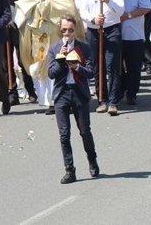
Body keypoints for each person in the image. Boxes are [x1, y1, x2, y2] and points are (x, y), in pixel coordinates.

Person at [15, 0, 84, 114]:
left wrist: (49, 7)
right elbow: (21, 10)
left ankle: (62, 98)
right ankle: (49, 101)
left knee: (58, 66)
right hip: (38, 37)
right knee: (43, 69)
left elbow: (69, 10)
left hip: (56, 36)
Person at [47, 14, 99, 184]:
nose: (67, 33)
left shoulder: (83, 48)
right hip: (62, 93)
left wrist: (77, 67)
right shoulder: (55, 48)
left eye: (70, 30)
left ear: (75, 30)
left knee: (84, 131)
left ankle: (92, 159)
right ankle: (70, 169)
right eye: (64, 30)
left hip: (79, 92)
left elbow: (91, 71)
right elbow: (51, 73)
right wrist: (61, 60)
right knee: (64, 135)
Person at [78, 0, 125, 114]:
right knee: (97, 65)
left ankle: (113, 101)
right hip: (93, 30)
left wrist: (107, 0)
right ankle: (102, 99)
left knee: (112, 65)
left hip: (111, 28)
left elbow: (120, 11)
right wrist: (93, 18)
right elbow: (82, 11)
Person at [116, 0, 151, 105]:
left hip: (133, 34)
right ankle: (119, 90)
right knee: (117, 67)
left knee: (133, 66)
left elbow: (146, 7)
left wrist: (128, 15)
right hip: (116, 35)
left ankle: (132, 93)